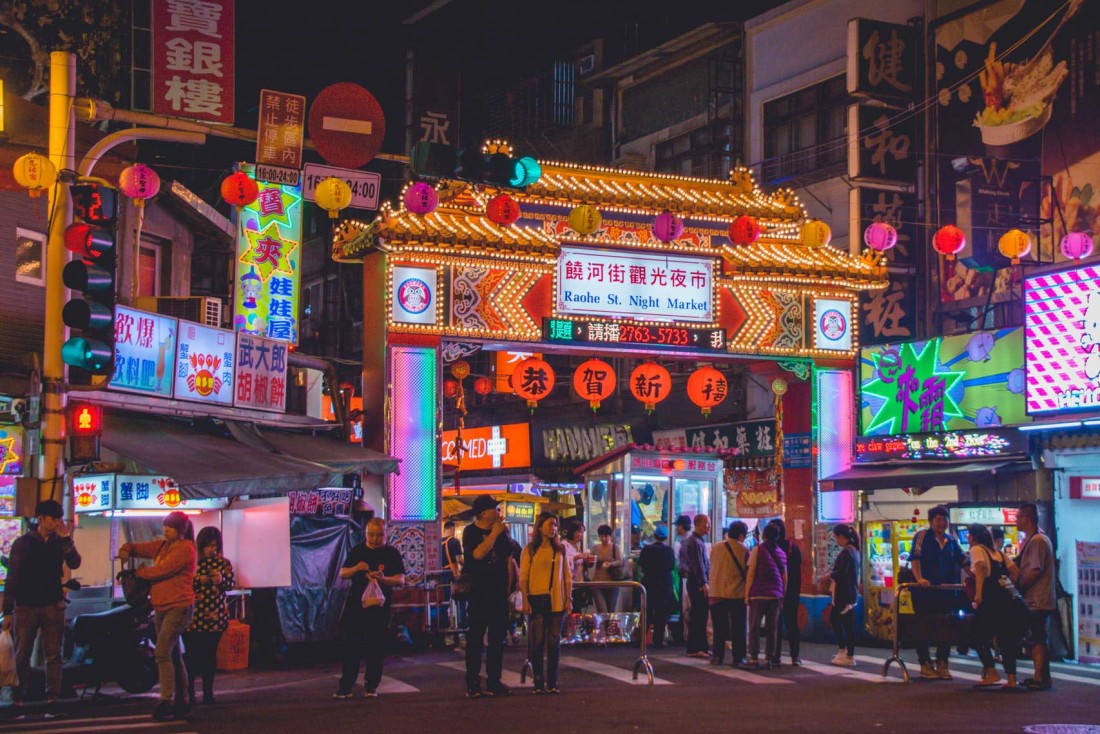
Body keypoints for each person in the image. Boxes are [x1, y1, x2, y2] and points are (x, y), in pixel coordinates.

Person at [1, 499, 81, 709]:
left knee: (54, 654)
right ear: (41, 519)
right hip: (26, 606)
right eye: (53, 519)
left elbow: (75, 563)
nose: (56, 523)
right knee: (22, 652)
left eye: (59, 519)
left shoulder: (59, 542)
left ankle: (52, 697)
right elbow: (13, 577)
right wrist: (7, 611)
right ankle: (18, 695)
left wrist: (66, 540)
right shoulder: (23, 543)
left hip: (52, 605)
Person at [119, 511, 197, 721]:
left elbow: (162, 571)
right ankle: (183, 699)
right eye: (165, 526)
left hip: (179, 607)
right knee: (172, 654)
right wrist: (127, 548)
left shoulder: (185, 549)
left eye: (170, 527)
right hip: (161, 606)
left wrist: (140, 572)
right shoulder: (163, 546)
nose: (166, 530)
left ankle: (166, 700)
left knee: (162, 651)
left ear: (180, 530)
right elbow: (138, 548)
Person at [333, 517, 405, 699]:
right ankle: (346, 687)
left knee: (376, 647)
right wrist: (357, 568)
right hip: (356, 608)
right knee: (351, 648)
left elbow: (400, 580)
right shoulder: (358, 550)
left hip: (380, 608)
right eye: (370, 535)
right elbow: (342, 573)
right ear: (365, 533)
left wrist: (383, 579)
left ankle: (371, 685)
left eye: (378, 535)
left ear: (385, 534)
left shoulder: (391, 553)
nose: (374, 539)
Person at [462, 495, 515, 698]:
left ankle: (494, 680)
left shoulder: (503, 532)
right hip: (478, 592)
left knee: (497, 639)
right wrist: (493, 534)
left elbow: (508, 560)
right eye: (494, 508)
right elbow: (477, 554)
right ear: (483, 512)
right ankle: (473, 682)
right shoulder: (471, 531)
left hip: (499, 593)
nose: (498, 512)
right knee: (475, 638)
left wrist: (509, 589)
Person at [968, 522, 1028, 689]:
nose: (967, 537)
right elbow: (1015, 571)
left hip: (992, 601)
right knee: (1006, 638)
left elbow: (980, 568)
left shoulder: (976, 550)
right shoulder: (998, 553)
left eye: (968, 534)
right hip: (1012, 600)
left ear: (973, 536)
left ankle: (991, 672)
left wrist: (978, 594)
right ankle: (1011, 679)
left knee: (976, 636)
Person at [910, 505, 967, 679]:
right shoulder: (922, 536)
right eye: (938, 519)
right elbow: (915, 558)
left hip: (946, 591)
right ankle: (925, 663)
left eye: (944, 519)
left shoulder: (951, 541)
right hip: (925, 592)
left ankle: (943, 663)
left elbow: (963, 560)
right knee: (924, 626)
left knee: (946, 626)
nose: (941, 523)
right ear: (931, 522)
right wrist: (919, 578)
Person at [183, 527, 235, 705]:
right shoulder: (192, 563)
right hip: (192, 617)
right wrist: (198, 580)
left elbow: (230, 584)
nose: (211, 549)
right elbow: (182, 583)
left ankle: (207, 693)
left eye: (214, 545)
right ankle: (188, 692)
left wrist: (221, 580)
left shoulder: (224, 564)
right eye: (207, 546)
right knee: (191, 656)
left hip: (216, 618)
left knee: (209, 655)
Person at [520, 512, 571, 694]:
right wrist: (525, 600)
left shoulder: (560, 550)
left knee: (554, 642)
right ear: (540, 526)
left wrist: (568, 598)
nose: (554, 528)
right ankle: (538, 681)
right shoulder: (529, 550)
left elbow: (566, 576)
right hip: (537, 599)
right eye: (550, 524)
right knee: (538, 642)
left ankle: (552, 682)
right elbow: (523, 577)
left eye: (555, 525)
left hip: (557, 600)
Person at [1014, 503, 1056, 691]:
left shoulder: (1038, 540)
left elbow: (1035, 569)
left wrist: (1019, 585)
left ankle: (1040, 677)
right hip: (1037, 597)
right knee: (1037, 637)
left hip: (1037, 598)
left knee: (1038, 638)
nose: (1016, 521)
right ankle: (1041, 676)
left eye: (1018, 517)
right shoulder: (1034, 539)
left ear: (1026, 519)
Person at [742, 522, 786, 669]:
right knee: (772, 628)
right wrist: (782, 595)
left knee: (754, 626)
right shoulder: (781, 552)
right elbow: (785, 577)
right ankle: (769, 658)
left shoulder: (757, 550)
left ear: (764, 535)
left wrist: (747, 594)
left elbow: (751, 573)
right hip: (776, 595)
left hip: (759, 594)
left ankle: (754, 657)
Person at [709, 521, 749, 666]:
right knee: (738, 627)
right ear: (740, 535)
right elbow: (747, 570)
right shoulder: (743, 549)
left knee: (719, 627)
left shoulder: (716, 547)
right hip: (736, 593)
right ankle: (739, 657)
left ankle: (717, 656)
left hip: (716, 591)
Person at [824, 523, 860, 667]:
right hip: (850, 593)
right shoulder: (854, 550)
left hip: (844, 593)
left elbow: (841, 574)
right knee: (847, 623)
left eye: (836, 537)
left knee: (836, 619)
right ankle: (847, 653)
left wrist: (828, 576)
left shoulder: (846, 552)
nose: (836, 541)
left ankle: (845, 652)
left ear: (841, 537)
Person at [769, 518, 803, 666]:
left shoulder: (768, 548)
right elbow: (798, 571)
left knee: (775, 624)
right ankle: (795, 656)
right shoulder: (793, 548)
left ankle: (775, 656)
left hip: (774, 591)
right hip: (792, 592)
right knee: (792, 624)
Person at [638, 524, 676, 647]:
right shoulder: (669, 551)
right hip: (664, 585)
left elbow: (641, 565)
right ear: (666, 537)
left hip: (648, 584)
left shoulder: (647, 549)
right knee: (661, 614)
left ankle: (642, 638)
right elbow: (671, 566)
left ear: (654, 536)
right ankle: (658, 640)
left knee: (647, 612)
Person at [680, 514, 711, 658]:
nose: (708, 526)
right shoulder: (695, 542)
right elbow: (698, 564)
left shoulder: (694, 541)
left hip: (695, 580)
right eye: (706, 524)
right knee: (699, 614)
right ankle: (698, 647)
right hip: (697, 581)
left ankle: (696, 647)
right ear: (697, 524)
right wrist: (704, 582)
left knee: (697, 614)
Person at [440, 520, 466, 647]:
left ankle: (443, 632)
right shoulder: (454, 542)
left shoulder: (438, 541)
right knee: (460, 603)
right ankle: (461, 631)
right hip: (453, 576)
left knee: (444, 603)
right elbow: (459, 560)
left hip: (441, 576)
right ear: (453, 529)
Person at [592, 524, 626, 614]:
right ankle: (603, 627)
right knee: (602, 610)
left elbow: (620, 561)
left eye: (606, 536)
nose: (603, 539)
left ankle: (608, 627)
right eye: (601, 536)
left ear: (610, 536)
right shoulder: (595, 548)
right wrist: (590, 561)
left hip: (612, 582)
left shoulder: (615, 547)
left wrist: (611, 564)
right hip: (598, 583)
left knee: (611, 610)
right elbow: (590, 562)